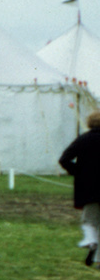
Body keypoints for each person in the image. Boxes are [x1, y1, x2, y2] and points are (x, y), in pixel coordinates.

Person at [59, 109, 100, 267]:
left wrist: (78, 172)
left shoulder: (83, 139)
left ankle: (91, 239)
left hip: (88, 186)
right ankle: (98, 259)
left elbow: (64, 159)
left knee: (90, 220)